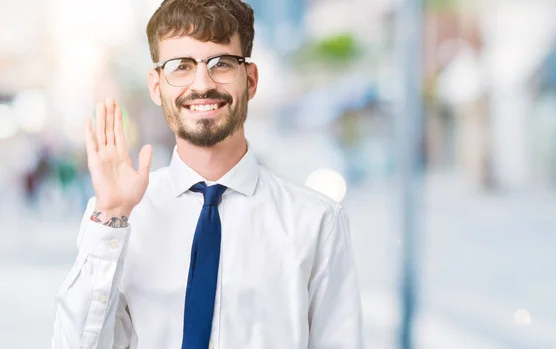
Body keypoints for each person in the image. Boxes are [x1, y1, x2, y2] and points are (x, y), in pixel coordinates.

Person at [51, 0, 363, 348]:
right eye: (180, 66)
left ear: (251, 79)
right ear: (156, 86)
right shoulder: (120, 218)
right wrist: (111, 215)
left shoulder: (317, 221)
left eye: (222, 63)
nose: (202, 83)